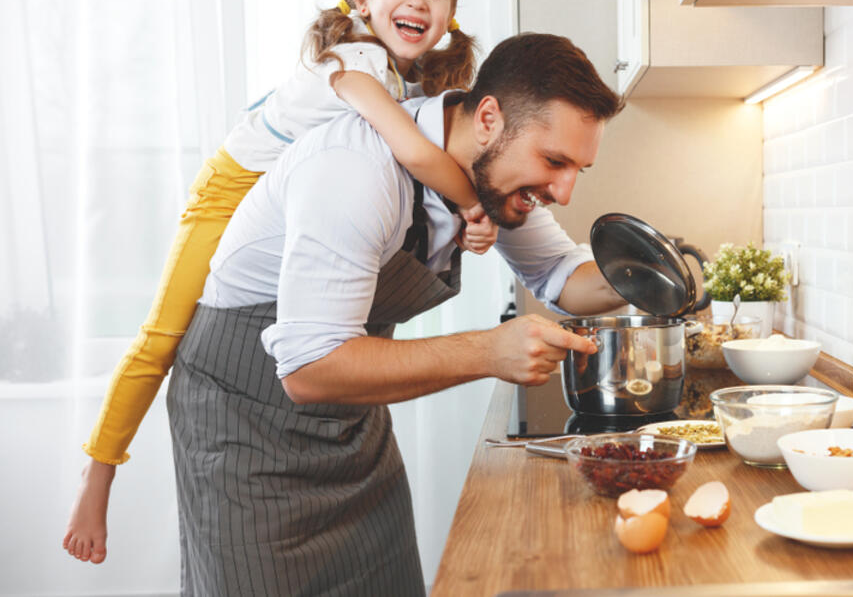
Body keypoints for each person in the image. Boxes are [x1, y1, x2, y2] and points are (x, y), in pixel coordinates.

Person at [62, 0, 497, 565]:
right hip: (232, 187)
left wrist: (469, 220)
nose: (417, 1)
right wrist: (471, 201)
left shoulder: (411, 83)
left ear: (453, 14)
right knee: (163, 336)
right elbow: (412, 151)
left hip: (279, 199)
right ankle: (95, 480)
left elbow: (409, 177)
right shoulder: (356, 61)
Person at [167, 31, 625, 595]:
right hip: (246, 433)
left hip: (351, 427)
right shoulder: (356, 169)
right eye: (554, 161)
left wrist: (645, 276)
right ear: (488, 118)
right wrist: (488, 350)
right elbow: (310, 369)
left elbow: (560, 276)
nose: (565, 190)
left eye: (578, 168)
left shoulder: (492, 176)